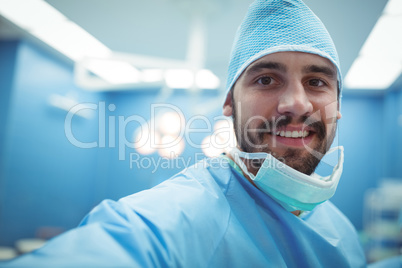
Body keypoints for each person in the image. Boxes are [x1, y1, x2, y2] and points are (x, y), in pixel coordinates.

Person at [2, 0, 367, 267]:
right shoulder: (171, 220)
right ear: (230, 102)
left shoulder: (341, 231)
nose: (296, 104)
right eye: (266, 79)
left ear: (337, 104)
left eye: (317, 81)